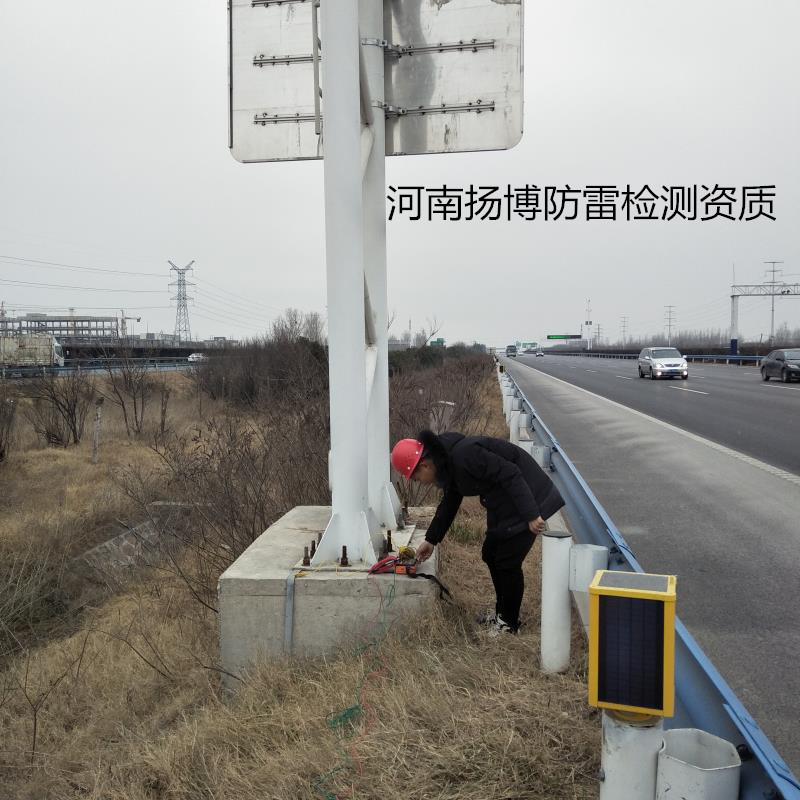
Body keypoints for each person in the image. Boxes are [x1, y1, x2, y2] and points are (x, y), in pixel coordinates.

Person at [391, 430, 565, 635]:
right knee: (490, 553)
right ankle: (502, 614)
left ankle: (509, 624)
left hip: (530, 497)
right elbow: (450, 503)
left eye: (417, 478)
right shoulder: (447, 463)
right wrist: (431, 540)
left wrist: (531, 514)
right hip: (505, 501)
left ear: (425, 465)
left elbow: (510, 473)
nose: (421, 482)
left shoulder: (466, 456)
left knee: (507, 561)